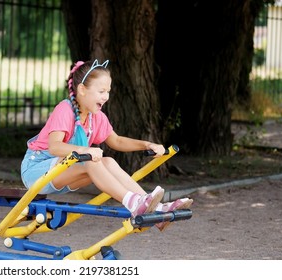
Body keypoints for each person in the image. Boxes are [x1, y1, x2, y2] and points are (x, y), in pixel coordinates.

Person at [21, 59, 192, 231]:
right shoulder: (65, 110)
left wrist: (147, 144)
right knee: (90, 160)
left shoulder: (97, 117)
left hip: (63, 174)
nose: (106, 97)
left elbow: (116, 141)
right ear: (82, 90)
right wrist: (85, 150)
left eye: (108, 91)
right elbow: (55, 147)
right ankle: (133, 203)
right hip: (36, 172)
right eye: (101, 91)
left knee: (108, 161)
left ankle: (157, 210)